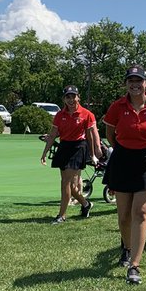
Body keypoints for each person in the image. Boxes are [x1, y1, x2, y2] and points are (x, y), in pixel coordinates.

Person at [102, 65, 146, 285]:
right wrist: (124, 150)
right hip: (122, 158)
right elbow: (110, 134)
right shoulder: (117, 107)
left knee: (140, 211)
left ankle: (134, 265)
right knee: (123, 216)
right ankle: (127, 246)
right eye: (130, 80)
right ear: (126, 84)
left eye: (138, 80)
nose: (135, 84)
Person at [40, 86, 101, 223]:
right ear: (64, 99)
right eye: (68, 97)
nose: (71, 100)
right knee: (70, 186)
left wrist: (92, 154)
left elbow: (90, 136)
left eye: (73, 96)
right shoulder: (60, 115)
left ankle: (61, 215)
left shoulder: (86, 114)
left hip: (79, 147)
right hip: (64, 147)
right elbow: (53, 135)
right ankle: (86, 204)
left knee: (65, 182)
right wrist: (44, 152)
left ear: (78, 97)